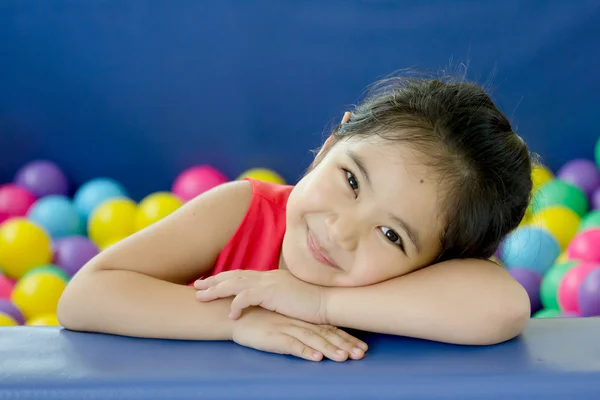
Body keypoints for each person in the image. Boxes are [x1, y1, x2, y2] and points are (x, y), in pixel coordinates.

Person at [58, 73, 533, 363]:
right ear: (331, 143)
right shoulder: (242, 211)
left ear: (435, 264)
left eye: (391, 235)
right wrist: (239, 321)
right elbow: (83, 297)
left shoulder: (414, 293)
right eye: (350, 179)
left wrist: (319, 304)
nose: (340, 231)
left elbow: (504, 306)